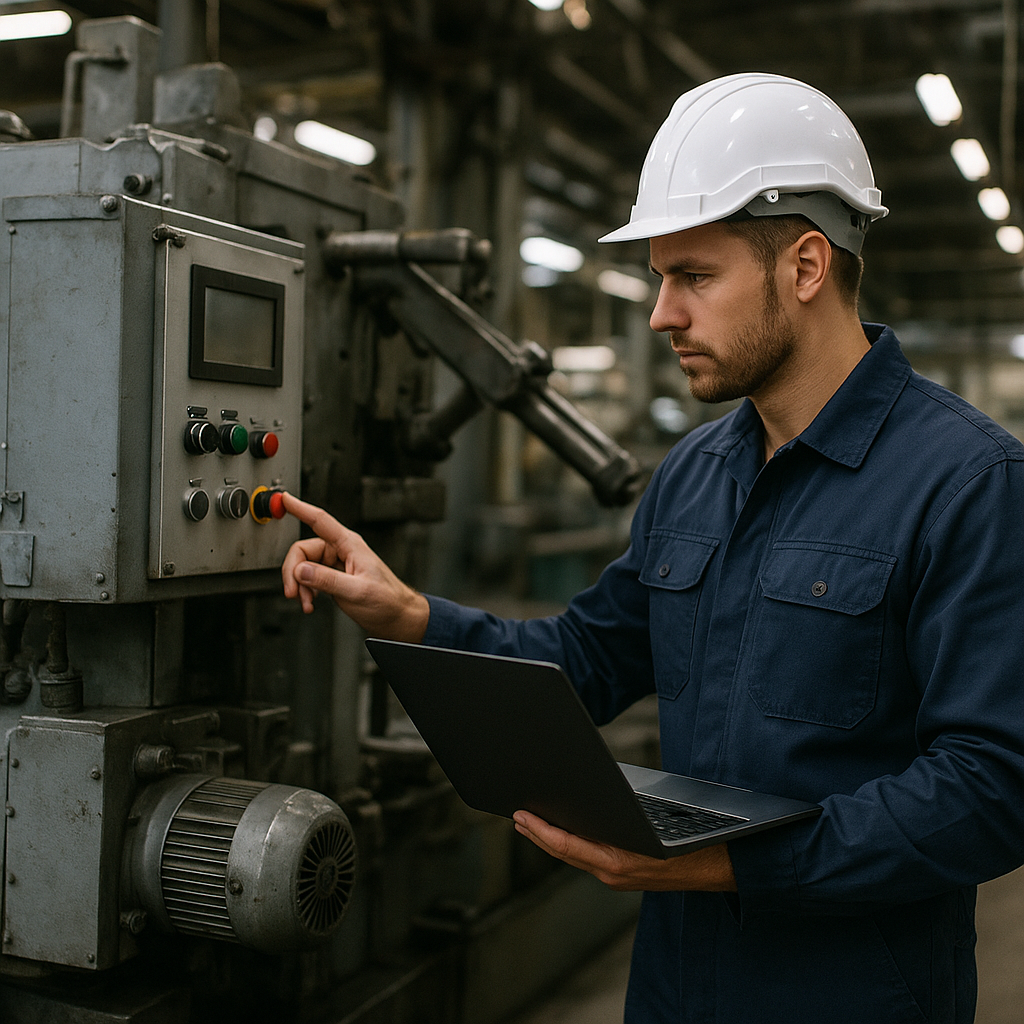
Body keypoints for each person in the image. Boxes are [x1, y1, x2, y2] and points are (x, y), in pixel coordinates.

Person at [281, 73, 1024, 1024]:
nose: (661, 314)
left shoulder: (967, 482)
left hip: (849, 992)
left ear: (805, 267)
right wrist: (412, 614)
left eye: (694, 276)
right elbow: (589, 659)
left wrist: (726, 864)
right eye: (660, 277)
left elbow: (991, 789)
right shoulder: (696, 472)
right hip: (677, 984)